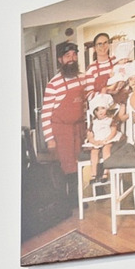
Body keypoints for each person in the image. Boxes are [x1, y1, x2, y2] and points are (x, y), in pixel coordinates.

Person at [37, 39, 88, 192]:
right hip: (61, 131)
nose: (71, 59)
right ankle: (66, 200)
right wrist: (49, 139)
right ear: (60, 60)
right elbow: (45, 113)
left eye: (74, 55)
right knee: (66, 165)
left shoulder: (82, 78)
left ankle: (76, 198)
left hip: (79, 128)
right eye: (67, 56)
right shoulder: (54, 84)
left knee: (78, 163)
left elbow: (86, 104)